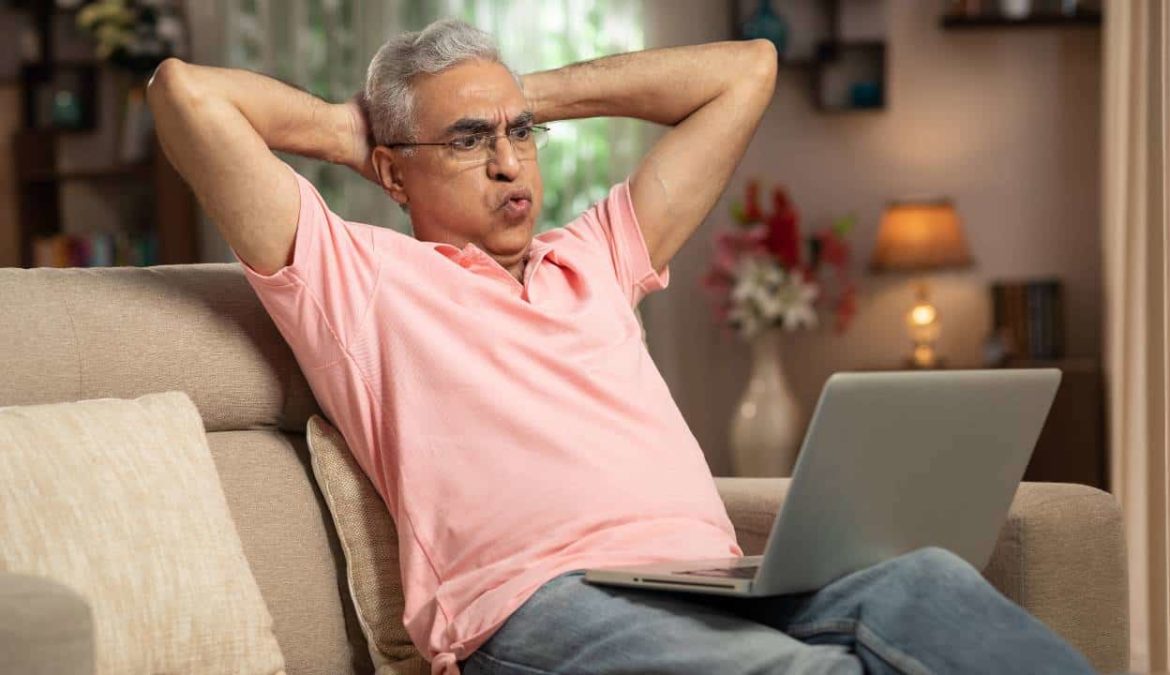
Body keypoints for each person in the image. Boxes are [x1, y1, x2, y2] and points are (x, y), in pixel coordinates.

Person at [146, 19, 1095, 675]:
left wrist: (522, 93)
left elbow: (747, 72)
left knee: (925, 582)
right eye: (472, 140)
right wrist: (358, 133)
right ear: (394, 172)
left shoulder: (590, 255)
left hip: (710, 578)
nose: (511, 161)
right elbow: (184, 95)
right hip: (540, 605)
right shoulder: (358, 280)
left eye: (523, 134)